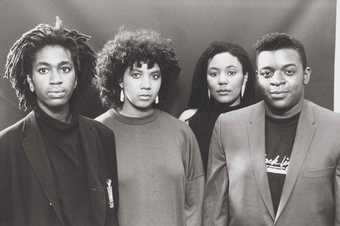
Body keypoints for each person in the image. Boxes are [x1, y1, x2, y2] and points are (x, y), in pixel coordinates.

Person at [204, 32, 340, 226]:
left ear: (306, 75)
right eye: (267, 73)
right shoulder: (227, 126)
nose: (277, 80)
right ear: (258, 77)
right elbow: (214, 211)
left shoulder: (335, 128)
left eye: (289, 71)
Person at [0, 17, 119, 226]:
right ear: (29, 81)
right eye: (44, 70)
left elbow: (110, 212)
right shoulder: (7, 145)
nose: (56, 79)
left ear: (76, 78)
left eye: (65, 68)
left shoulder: (102, 136)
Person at [96, 28, 204, 226]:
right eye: (136, 75)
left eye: (154, 76)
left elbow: (195, 205)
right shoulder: (97, 132)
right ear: (119, 79)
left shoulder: (181, 132)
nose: (147, 84)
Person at [179, 41, 255, 173]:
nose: (222, 80)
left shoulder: (258, 120)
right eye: (214, 74)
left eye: (231, 73)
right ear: (206, 79)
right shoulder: (188, 119)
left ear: (245, 77)